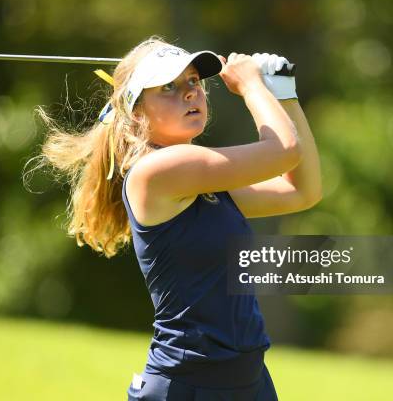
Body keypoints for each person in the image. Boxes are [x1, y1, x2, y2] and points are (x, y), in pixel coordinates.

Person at [30, 36, 321, 400]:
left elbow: (302, 191)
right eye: (169, 86)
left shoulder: (201, 181)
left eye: (194, 82)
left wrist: (286, 96)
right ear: (137, 112)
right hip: (187, 387)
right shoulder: (159, 171)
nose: (189, 93)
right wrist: (251, 86)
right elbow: (284, 150)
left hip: (249, 383)